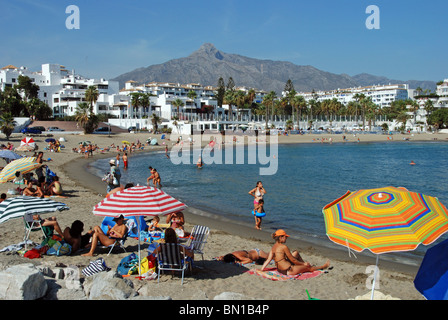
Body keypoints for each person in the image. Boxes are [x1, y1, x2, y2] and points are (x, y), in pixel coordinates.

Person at [261, 229, 330, 276]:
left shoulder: (273, 247)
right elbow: (292, 260)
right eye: (285, 237)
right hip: (288, 270)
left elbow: (269, 259)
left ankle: (306, 265)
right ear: (281, 237)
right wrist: (303, 263)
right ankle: (323, 266)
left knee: (296, 253)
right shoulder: (284, 247)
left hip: (280, 270)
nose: (286, 238)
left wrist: (262, 269)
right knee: (309, 269)